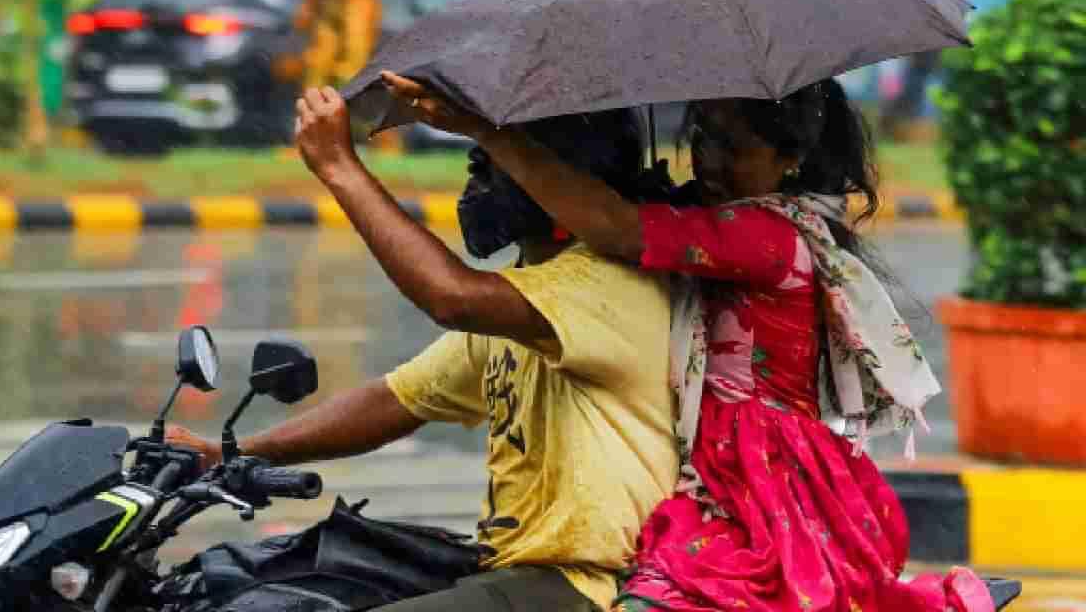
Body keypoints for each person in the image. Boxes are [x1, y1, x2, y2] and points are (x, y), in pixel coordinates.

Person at [382, 72, 994, 612]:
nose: (708, 159)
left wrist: (489, 133)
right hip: (714, 459)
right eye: (701, 137)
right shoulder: (718, 214)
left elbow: (621, 229)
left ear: (789, 159)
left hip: (764, 473)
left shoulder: (768, 234)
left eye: (731, 145)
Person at [168, 87, 680, 612]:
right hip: (514, 565)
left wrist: (341, 167)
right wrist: (228, 455)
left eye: (494, 167)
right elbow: (399, 399)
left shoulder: (606, 287)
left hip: (588, 585)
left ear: (558, 179)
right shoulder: (531, 294)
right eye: (476, 167)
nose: (478, 187)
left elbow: (450, 296)